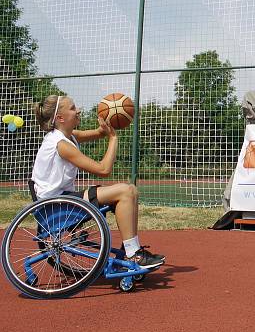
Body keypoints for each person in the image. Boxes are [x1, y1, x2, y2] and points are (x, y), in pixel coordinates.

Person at [31, 95, 165, 269]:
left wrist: (109, 123)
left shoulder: (67, 136)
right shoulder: (61, 144)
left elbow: (98, 133)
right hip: (56, 206)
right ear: (60, 118)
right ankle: (133, 255)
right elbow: (103, 170)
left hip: (60, 200)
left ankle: (132, 249)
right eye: (72, 108)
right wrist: (113, 139)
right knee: (126, 191)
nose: (78, 110)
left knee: (130, 191)